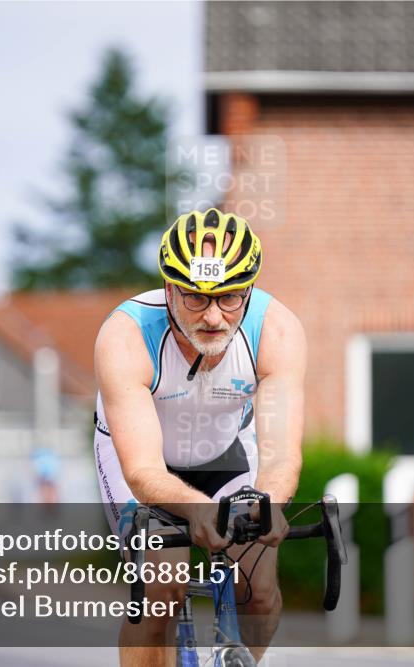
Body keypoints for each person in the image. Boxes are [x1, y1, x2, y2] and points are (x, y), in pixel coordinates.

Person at [93, 208, 306, 666]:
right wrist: (194, 510)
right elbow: (143, 469)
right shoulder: (125, 335)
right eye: (194, 297)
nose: (213, 316)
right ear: (169, 289)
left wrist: (268, 503)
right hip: (145, 462)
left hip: (228, 453)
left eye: (229, 297)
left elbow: (281, 457)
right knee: (162, 585)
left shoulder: (277, 331)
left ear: (248, 291)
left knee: (260, 588)